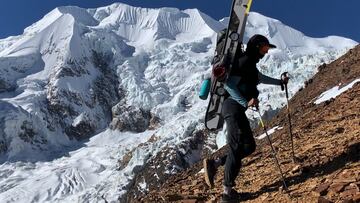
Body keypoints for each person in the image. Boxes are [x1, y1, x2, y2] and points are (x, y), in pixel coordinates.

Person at [203, 34, 289, 202]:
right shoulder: (244, 61)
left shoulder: (249, 64)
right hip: (232, 107)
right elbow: (229, 84)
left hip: (238, 109)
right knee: (236, 146)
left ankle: (215, 164)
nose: (266, 52)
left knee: (249, 146)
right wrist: (245, 101)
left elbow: (260, 78)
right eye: (264, 48)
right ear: (257, 47)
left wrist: (280, 83)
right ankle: (227, 193)